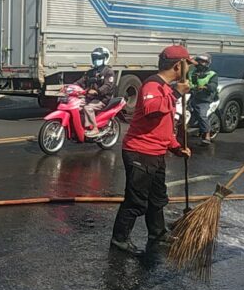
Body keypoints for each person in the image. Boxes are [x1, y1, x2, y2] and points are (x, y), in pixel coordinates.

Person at [110, 45, 193, 256]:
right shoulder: (152, 85)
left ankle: (157, 233)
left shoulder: (166, 88)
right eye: (188, 64)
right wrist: (176, 93)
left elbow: (163, 127)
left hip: (156, 153)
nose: (189, 69)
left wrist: (176, 148)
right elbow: (151, 111)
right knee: (136, 201)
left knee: (157, 198)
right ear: (178, 66)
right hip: (140, 153)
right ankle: (119, 239)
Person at [75, 47, 116, 137]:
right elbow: (80, 82)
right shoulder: (90, 72)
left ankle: (94, 128)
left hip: (103, 99)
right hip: (90, 97)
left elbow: (107, 86)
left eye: (99, 58)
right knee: (75, 105)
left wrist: (97, 91)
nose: (96, 60)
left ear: (105, 58)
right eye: (95, 58)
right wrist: (69, 87)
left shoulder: (109, 72)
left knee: (87, 108)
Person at [188, 53, 218, 146]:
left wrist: (205, 87)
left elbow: (213, 86)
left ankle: (206, 135)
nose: (201, 63)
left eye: (204, 62)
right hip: (191, 96)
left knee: (201, 114)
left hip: (204, 98)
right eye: (199, 61)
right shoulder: (192, 72)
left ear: (207, 63)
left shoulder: (212, 74)